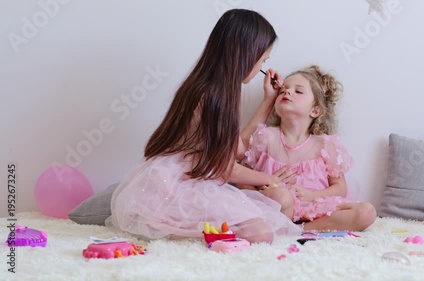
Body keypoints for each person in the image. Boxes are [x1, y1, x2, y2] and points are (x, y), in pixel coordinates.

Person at [106, 9, 301, 243]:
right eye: (263, 59)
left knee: (268, 216)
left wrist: (268, 100)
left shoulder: (217, 89)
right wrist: (270, 178)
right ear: (246, 53)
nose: (262, 65)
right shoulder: (212, 97)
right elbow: (226, 169)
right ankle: (165, 227)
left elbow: (238, 149)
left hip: (189, 181)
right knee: (260, 232)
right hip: (177, 187)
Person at [239, 65, 377, 232]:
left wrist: (312, 196)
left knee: (366, 212)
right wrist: (264, 189)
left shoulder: (325, 145)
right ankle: (284, 225)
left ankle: (301, 230)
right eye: (283, 90)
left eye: (298, 91)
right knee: (282, 196)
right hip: (277, 207)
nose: (287, 92)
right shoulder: (265, 137)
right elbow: (242, 178)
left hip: (315, 210)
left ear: (315, 110)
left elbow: (340, 188)